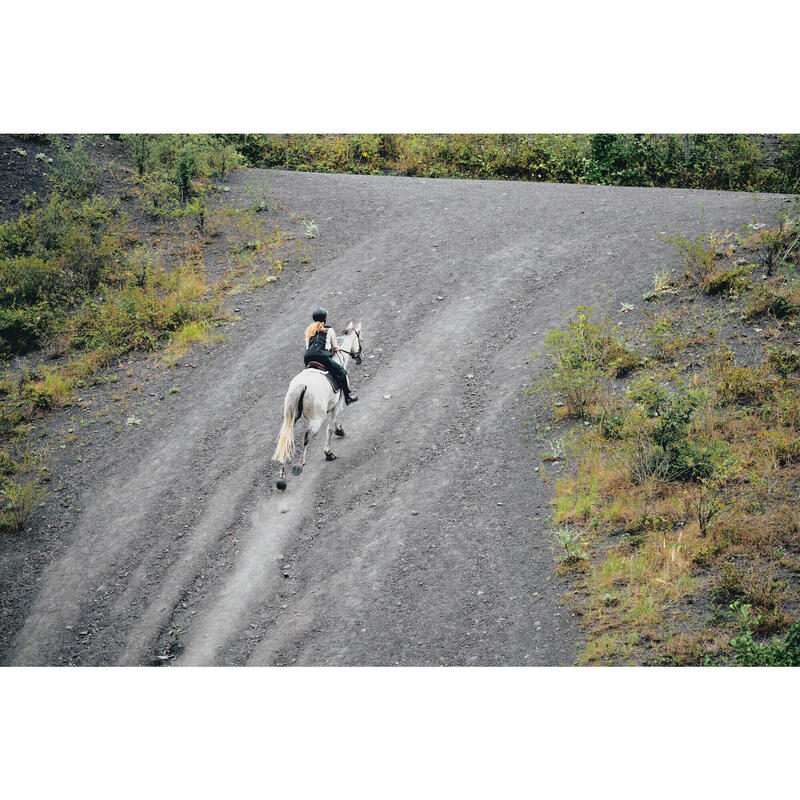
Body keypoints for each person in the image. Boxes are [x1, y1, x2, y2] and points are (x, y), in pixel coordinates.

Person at [303, 307, 358, 404]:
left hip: (308, 358)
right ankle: (347, 397)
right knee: (341, 371)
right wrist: (336, 348)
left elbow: (308, 346)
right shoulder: (329, 330)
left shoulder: (309, 330)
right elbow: (335, 347)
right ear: (324, 319)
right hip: (322, 358)